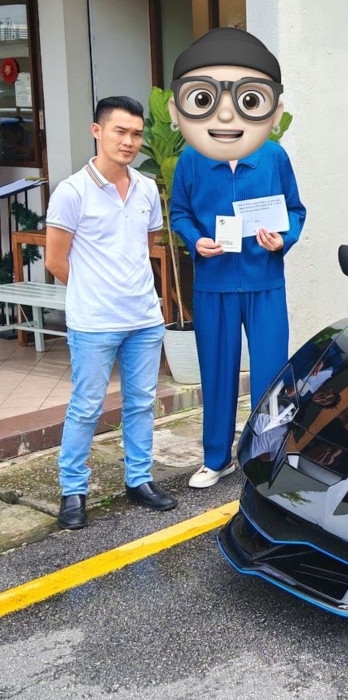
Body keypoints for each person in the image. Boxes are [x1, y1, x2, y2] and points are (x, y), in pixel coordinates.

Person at [167, 28, 306, 488]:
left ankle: (266, 459)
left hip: (264, 281)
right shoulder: (192, 159)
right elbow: (180, 212)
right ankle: (216, 458)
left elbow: (296, 210)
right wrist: (195, 240)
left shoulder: (273, 156)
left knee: (270, 374)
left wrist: (282, 240)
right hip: (214, 282)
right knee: (217, 373)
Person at [45, 96, 177, 530]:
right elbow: (56, 261)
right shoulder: (72, 191)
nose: (129, 141)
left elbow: (144, 248)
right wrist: (94, 291)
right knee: (86, 407)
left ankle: (138, 480)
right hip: (95, 323)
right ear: (97, 131)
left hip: (144, 319)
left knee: (141, 404)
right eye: (120, 131)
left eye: (136, 134)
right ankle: (73, 491)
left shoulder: (146, 189)